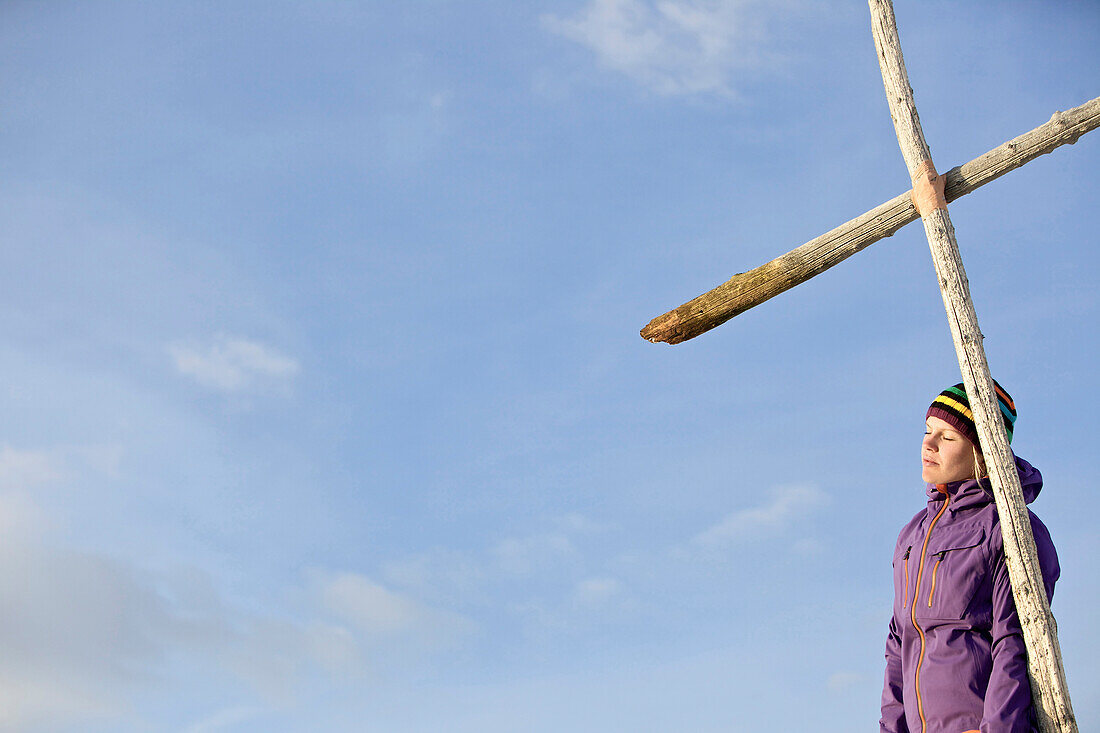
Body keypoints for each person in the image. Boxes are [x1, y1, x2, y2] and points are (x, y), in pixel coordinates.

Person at [880, 381, 1059, 733]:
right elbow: (898, 645)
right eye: (928, 431)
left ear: (983, 450)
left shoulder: (1009, 527)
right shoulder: (913, 536)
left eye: (947, 437)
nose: (928, 444)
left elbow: (1017, 641)